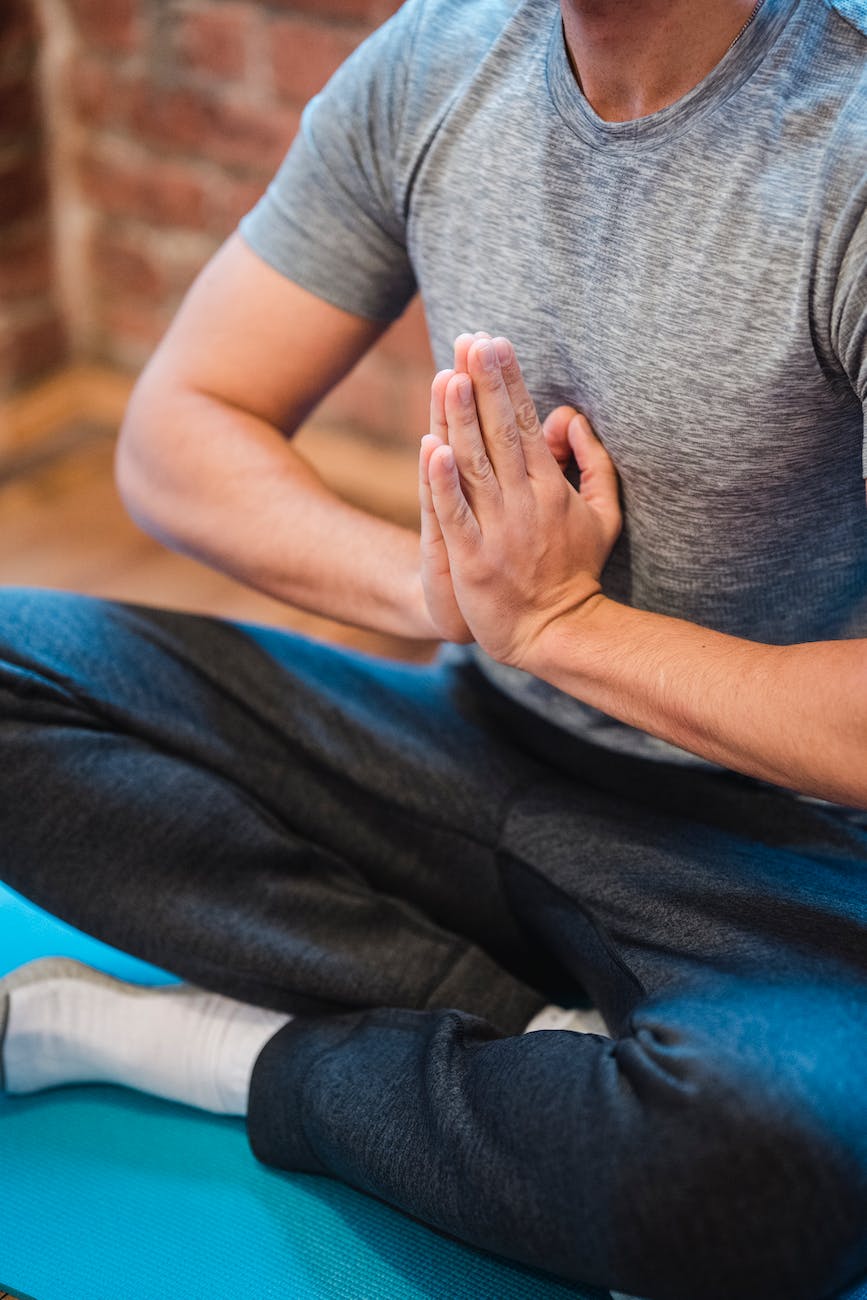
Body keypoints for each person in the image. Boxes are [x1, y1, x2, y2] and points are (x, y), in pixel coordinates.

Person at [2, 0, 867, 1296]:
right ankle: (528, 1042)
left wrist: (569, 627)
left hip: (770, 846)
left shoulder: (847, 135)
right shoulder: (441, 60)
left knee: (775, 1174)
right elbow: (177, 430)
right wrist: (435, 594)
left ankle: (240, 1054)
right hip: (468, 745)